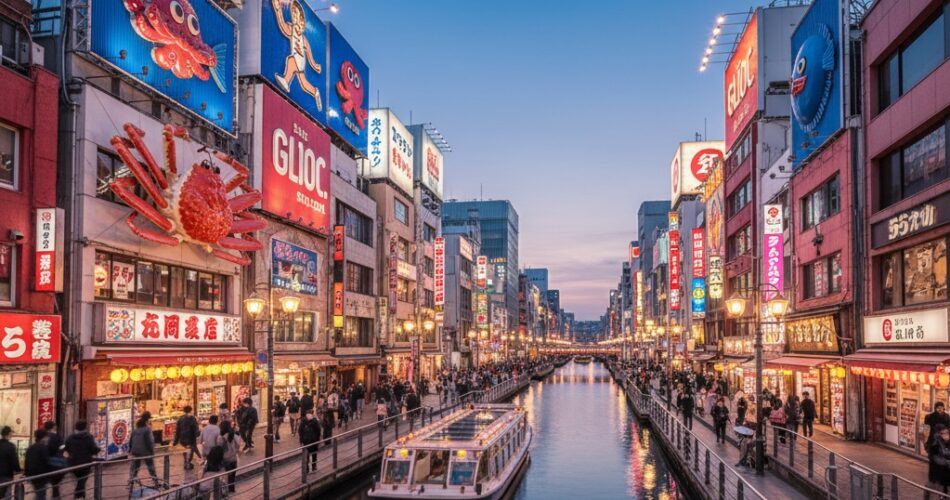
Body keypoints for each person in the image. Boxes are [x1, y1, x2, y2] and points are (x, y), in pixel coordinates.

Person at [64, 420, 100, 499]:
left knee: (80, 482)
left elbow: (65, 449)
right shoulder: (88, 437)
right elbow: (93, 449)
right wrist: (98, 449)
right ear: (85, 427)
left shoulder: (70, 438)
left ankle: (81, 496)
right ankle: (78, 496)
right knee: (81, 482)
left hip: (73, 464)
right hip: (85, 464)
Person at [130, 412, 160, 487]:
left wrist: (131, 450)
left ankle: (130, 482)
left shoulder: (135, 430)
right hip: (146, 452)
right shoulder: (147, 430)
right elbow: (149, 441)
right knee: (151, 467)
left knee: (135, 467)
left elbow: (131, 441)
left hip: (136, 451)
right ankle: (156, 482)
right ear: (147, 420)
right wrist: (152, 451)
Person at [25, 429, 51, 500]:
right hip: (41, 476)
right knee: (41, 494)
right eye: (46, 437)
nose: (48, 439)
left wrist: (27, 474)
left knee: (39, 493)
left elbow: (26, 462)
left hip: (32, 475)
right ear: (43, 437)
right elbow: (46, 462)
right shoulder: (43, 448)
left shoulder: (30, 447)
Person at [216, 421, 241, 493]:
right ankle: (232, 490)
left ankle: (224, 491)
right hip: (233, 458)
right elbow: (238, 446)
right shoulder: (234, 435)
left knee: (224, 476)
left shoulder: (220, 438)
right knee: (232, 476)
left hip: (224, 459)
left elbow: (219, 448)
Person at [174, 405, 200, 469]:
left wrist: (176, 441)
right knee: (191, 450)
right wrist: (198, 434)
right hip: (190, 438)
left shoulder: (180, 418)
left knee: (185, 451)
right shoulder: (192, 418)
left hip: (182, 438)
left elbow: (177, 430)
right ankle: (188, 463)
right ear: (191, 410)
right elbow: (195, 428)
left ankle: (186, 462)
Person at [44, 421, 65, 499]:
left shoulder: (44, 436)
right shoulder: (57, 436)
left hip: (46, 462)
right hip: (57, 462)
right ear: (53, 427)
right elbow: (62, 447)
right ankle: (55, 496)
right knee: (55, 483)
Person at [928, 425, 950, 493]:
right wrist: (947, 462)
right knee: (937, 492)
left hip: (946, 473)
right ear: (939, 434)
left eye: (947, 433)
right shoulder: (935, 444)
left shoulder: (947, 442)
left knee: (945, 490)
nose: (947, 435)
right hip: (938, 474)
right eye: (944, 433)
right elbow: (935, 458)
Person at [0, 426, 20, 499]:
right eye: (11, 432)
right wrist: (18, 470)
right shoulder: (11, 446)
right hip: (7, 474)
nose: (12, 434)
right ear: (8, 434)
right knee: (7, 494)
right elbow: (14, 461)